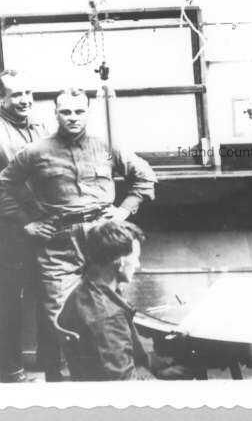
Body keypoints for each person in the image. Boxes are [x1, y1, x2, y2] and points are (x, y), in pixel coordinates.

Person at [0, 87, 156, 381]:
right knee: (60, 318)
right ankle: (62, 387)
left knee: (109, 307)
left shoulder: (106, 146)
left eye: (79, 111)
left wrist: (123, 211)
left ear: (88, 112)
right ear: (55, 114)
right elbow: (3, 184)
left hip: (102, 237)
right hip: (59, 243)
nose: (73, 117)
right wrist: (26, 223)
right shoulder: (36, 151)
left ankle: (119, 380)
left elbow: (145, 176)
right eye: (66, 112)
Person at [58, 220, 188, 381]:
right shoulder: (107, 316)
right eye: (136, 258)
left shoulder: (86, 290)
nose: (137, 264)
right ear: (120, 261)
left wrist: (161, 366)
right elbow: (124, 383)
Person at [0, 70, 48, 383]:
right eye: (16, 94)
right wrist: (23, 221)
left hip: (44, 224)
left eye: (28, 92)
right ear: (1, 98)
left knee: (47, 290)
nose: (25, 99)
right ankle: (9, 369)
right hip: (8, 227)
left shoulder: (42, 126)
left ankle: (48, 361)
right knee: (9, 298)